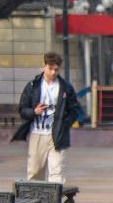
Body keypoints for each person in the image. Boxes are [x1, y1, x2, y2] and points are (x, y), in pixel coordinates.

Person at [12, 53, 83, 183]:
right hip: (37, 134)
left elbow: (74, 109)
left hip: (57, 134)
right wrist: (35, 111)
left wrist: (64, 123)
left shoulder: (65, 87)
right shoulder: (33, 86)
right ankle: (34, 202)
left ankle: (54, 202)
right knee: (34, 173)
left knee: (57, 173)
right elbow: (22, 110)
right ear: (44, 66)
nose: (53, 72)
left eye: (56, 69)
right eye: (50, 68)